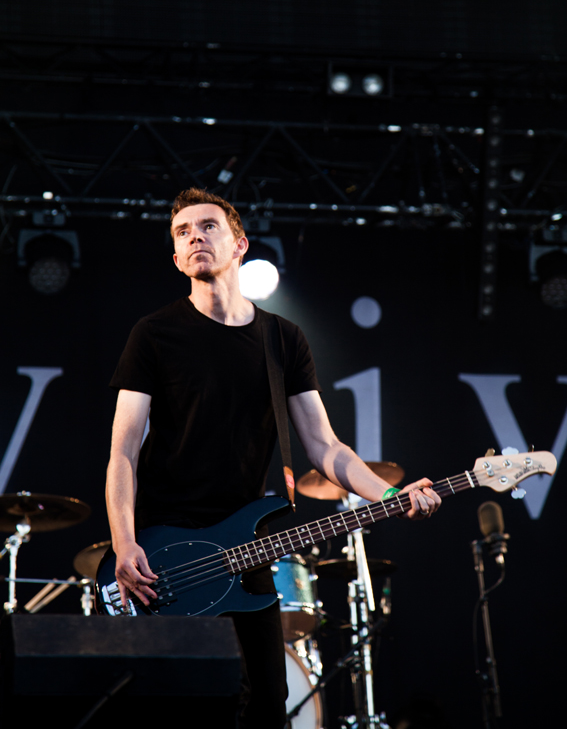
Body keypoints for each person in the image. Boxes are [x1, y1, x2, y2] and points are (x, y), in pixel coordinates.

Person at [105, 187, 441, 729]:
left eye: (208, 226)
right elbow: (123, 451)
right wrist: (125, 543)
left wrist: (390, 495)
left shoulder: (282, 339)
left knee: (267, 701)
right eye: (182, 232)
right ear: (176, 257)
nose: (194, 237)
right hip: (168, 545)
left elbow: (325, 447)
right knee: (185, 702)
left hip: (246, 541)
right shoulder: (154, 334)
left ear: (239, 244)